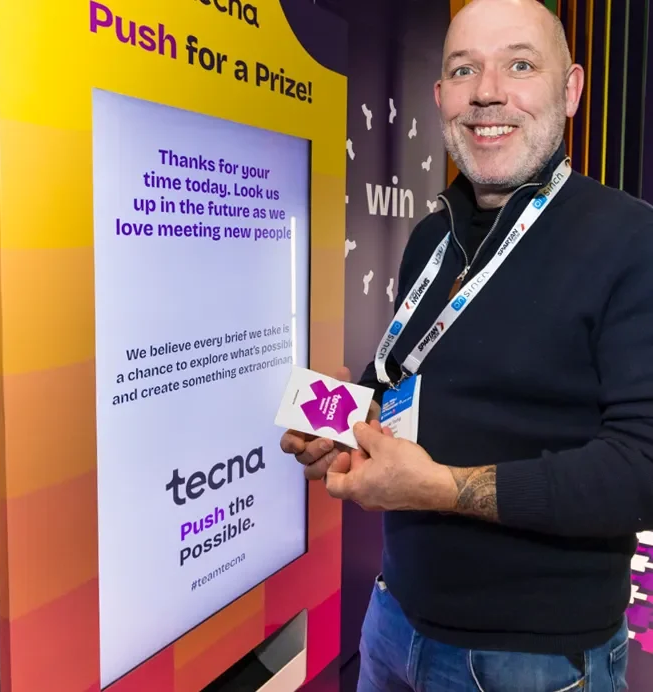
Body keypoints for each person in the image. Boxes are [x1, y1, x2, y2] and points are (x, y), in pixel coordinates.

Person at [280, 0, 653, 689]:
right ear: (440, 95)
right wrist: (348, 420)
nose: (487, 92)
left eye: (520, 64)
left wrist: (443, 490)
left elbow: (643, 469)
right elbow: (412, 378)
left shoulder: (634, 240)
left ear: (570, 89)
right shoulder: (433, 234)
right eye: (463, 70)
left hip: (534, 659)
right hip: (393, 619)